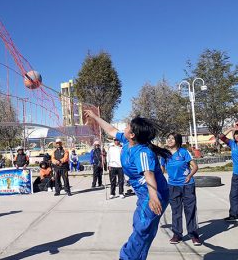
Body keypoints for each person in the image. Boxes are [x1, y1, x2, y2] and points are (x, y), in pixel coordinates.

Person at [85, 110, 170, 260]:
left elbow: (149, 175)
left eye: (128, 127)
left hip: (154, 193)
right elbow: (111, 129)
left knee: (142, 228)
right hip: (145, 193)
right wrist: (95, 117)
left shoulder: (142, 152)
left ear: (132, 135)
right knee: (143, 229)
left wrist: (153, 197)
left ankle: (127, 257)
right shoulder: (127, 142)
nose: (124, 128)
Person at [161, 133, 201, 246]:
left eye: (172, 138)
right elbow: (162, 169)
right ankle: (177, 234)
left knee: (190, 210)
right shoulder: (164, 154)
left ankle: (193, 235)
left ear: (177, 140)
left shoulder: (183, 152)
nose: (169, 140)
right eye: (168, 138)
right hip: (172, 186)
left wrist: (189, 176)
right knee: (176, 211)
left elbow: (195, 166)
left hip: (187, 185)